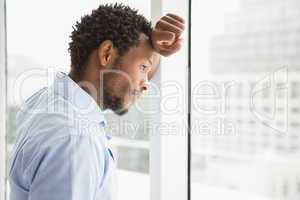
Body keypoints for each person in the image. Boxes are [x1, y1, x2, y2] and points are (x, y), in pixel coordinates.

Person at [9, 3, 185, 200]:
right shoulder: (75, 138)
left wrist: (152, 49)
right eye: (143, 67)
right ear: (107, 53)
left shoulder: (47, 101)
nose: (146, 84)